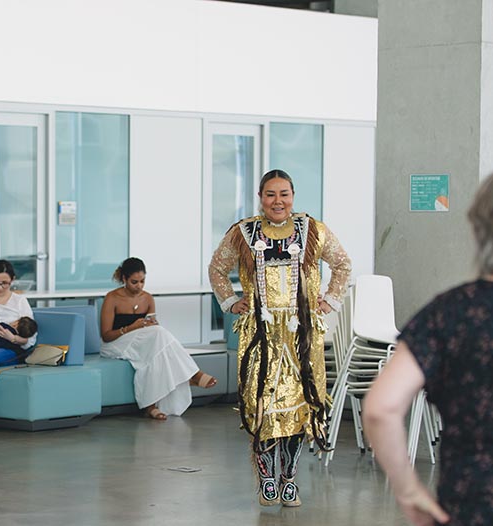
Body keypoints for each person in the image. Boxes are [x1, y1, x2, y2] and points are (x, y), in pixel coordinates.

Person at [363, 174, 493, 526]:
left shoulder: (451, 312)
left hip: (473, 524)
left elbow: (381, 408)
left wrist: (407, 488)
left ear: (479, 228)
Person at [208, 169, 351, 507]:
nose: (278, 201)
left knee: (301, 405)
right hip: (261, 334)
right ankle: (266, 476)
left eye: (284, 194)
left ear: (293, 196)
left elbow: (342, 264)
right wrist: (231, 301)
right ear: (260, 197)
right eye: (270, 194)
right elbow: (217, 268)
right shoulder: (243, 233)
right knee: (263, 403)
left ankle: (290, 478)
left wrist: (329, 299)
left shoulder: (312, 230)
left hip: (301, 335)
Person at [100, 257, 217, 421]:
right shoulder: (112, 298)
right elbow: (106, 336)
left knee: (156, 346)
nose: (139, 286)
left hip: (142, 342)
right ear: (124, 279)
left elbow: (154, 326)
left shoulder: (147, 298)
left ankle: (151, 407)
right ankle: (191, 375)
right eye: (134, 282)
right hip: (115, 344)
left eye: (142, 281)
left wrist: (148, 326)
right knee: (158, 335)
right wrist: (132, 327)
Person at [0, 259, 37, 424]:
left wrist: (12, 338)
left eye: (5, 283)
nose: (1, 287)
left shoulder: (19, 302)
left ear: (12, 280)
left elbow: (30, 337)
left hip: (11, 348)